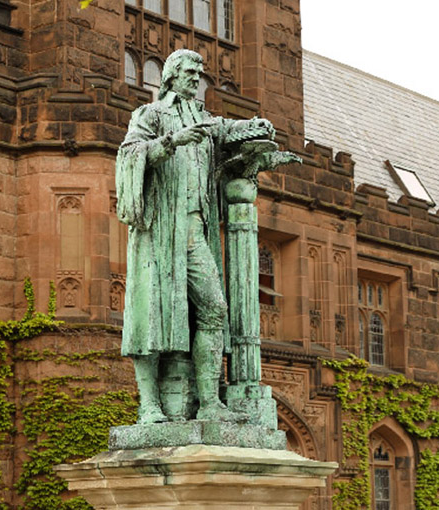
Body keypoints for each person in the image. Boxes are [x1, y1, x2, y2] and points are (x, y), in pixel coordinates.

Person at [116, 49, 274, 424]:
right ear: (171, 76)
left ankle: (209, 402)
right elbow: (128, 155)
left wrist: (258, 126)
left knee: (214, 309)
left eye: (199, 73)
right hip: (159, 229)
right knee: (149, 315)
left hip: (195, 229)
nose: (196, 78)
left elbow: (228, 130)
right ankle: (149, 406)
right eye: (189, 71)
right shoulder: (151, 115)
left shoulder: (204, 118)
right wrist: (171, 142)